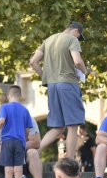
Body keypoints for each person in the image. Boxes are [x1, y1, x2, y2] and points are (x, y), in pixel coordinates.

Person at [30, 21, 88, 159]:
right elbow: (77, 61)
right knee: (73, 126)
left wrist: (46, 77)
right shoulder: (72, 39)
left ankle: (35, 152)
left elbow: (33, 61)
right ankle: (70, 161)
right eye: (79, 36)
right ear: (76, 31)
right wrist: (84, 73)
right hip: (68, 84)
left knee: (58, 127)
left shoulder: (49, 40)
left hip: (52, 86)